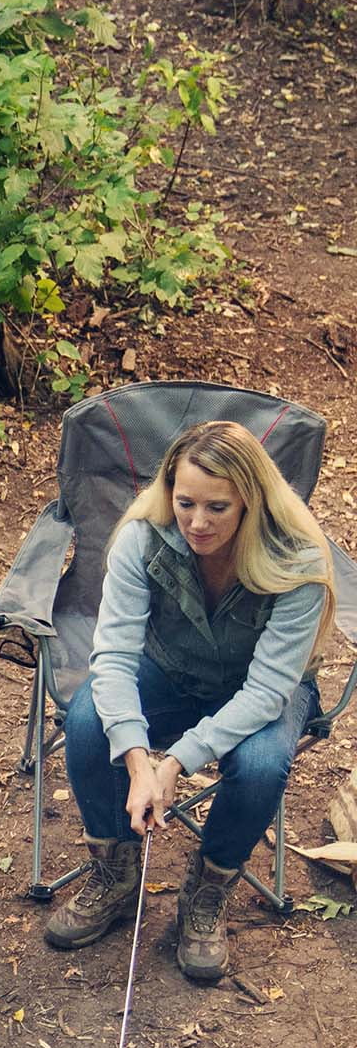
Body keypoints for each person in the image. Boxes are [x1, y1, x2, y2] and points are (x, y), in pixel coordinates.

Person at [44, 419, 336, 982]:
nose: (198, 523)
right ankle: (116, 872)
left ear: (251, 499)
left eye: (218, 508)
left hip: (261, 687)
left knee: (259, 763)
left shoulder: (297, 560)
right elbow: (114, 660)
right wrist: (137, 761)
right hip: (170, 668)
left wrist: (175, 762)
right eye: (185, 503)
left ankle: (210, 885)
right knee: (86, 721)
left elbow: (268, 690)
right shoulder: (143, 538)